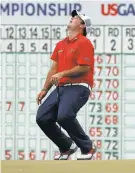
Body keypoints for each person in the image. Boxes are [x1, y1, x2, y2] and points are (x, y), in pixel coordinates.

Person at [36, 10, 96, 160]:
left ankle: (88, 148)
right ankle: (66, 147)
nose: (72, 18)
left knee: (64, 116)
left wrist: (62, 74)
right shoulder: (61, 44)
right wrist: (44, 89)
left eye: (76, 18)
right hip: (61, 88)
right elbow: (54, 69)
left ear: (82, 25)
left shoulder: (84, 42)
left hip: (79, 87)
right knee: (42, 117)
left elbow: (84, 67)